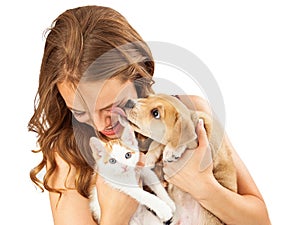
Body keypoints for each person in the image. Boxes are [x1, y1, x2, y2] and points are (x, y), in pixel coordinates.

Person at [28, 5, 271, 225]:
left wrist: (202, 186)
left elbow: (261, 221)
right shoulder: (69, 157)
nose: (102, 124)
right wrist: (115, 215)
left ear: (139, 74)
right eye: (79, 112)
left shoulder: (188, 115)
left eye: (114, 105)